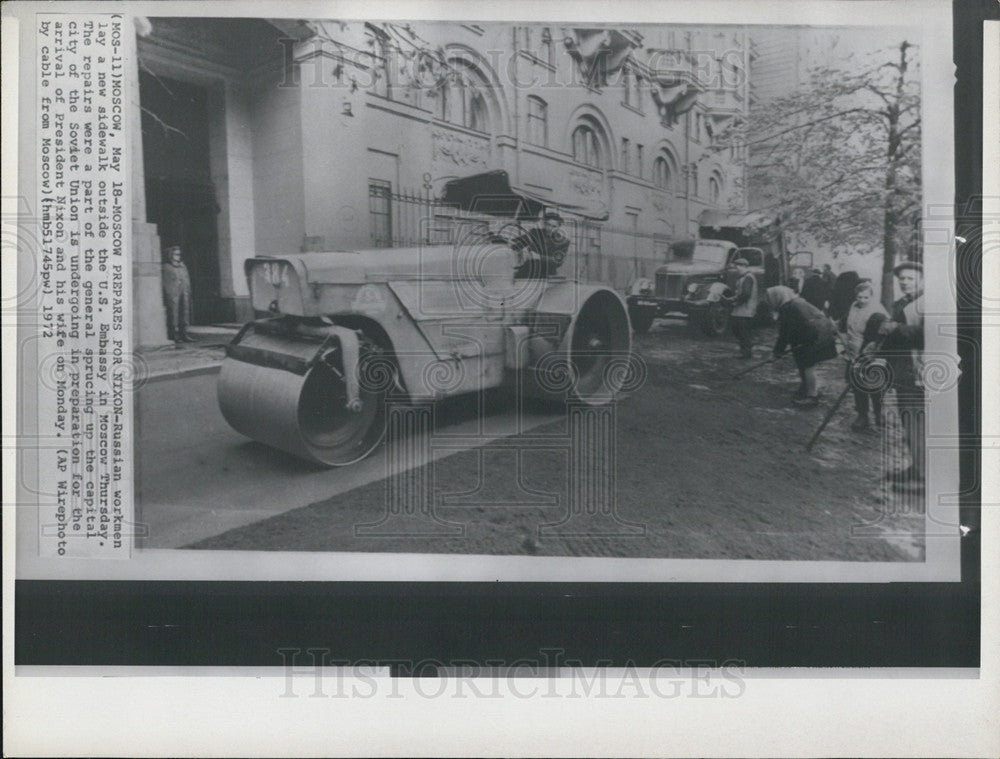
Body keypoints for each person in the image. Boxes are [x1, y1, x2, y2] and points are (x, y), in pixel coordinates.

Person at [878, 260, 925, 489]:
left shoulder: (929, 303)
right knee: (908, 419)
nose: (905, 282)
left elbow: (929, 334)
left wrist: (897, 328)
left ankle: (924, 477)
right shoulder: (902, 303)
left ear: (922, 280)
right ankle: (917, 467)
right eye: (902, 279)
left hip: (921, 371)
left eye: (910, 278)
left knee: (918, 421)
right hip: (903, 370)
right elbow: (895, 335)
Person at [767, 285, 839, 407]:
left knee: (807, 365)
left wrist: (777, 353)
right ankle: (805, 388)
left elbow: (784, 334)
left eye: (771, 298)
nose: (769, 301)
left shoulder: (788, 308)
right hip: (820, 334)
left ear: (778, 297)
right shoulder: (798, 302)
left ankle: (812, 396)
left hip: (816, 337)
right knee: (802, 361)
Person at [838, 280, 888, 431]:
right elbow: (846, 323)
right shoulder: (854, 305)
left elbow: (876, 338)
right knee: (857, 385)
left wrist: (866, 354)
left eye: (866, 297)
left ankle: (879, 414)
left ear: (871, 297)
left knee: (873, 385)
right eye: (860, 297)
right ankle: (862, 416)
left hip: (870, 352)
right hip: (853, 351)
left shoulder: (877, 313)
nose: (862, 300)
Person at [512, 210, 570, 279]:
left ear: (559, 227)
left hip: (547, 273)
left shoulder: (563, 241)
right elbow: (517, 243)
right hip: (528, 269)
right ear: (544, 224)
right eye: (548, 225)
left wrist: (538, 257)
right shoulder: (535, 233)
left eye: (554, 226)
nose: (550, 228)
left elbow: (558, 260)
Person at [162, 245, 195, 347]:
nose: (178, 256)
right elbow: (166, 283)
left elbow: (186, 279)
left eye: (179, 254)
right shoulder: (166, 267)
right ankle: (174, 334)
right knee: (173, 313)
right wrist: (170, 294)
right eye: (176, 254)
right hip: (173, 294)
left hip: (184, 292)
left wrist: (188, 290)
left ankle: (184, 333)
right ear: (170, 255)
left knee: (184, 312)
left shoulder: (182, 266)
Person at [728, 257, 758, 359]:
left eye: (737, 267)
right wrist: (734, 298)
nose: (736, 270)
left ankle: (746, 353)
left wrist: (735, 302)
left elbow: (746, 294)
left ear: (744, 267)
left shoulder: (748, 278)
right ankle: (745, 351)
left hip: (745, 310)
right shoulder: (744, 278)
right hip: (742, 309)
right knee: (739, 330)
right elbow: (741, 293)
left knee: (742, 331)